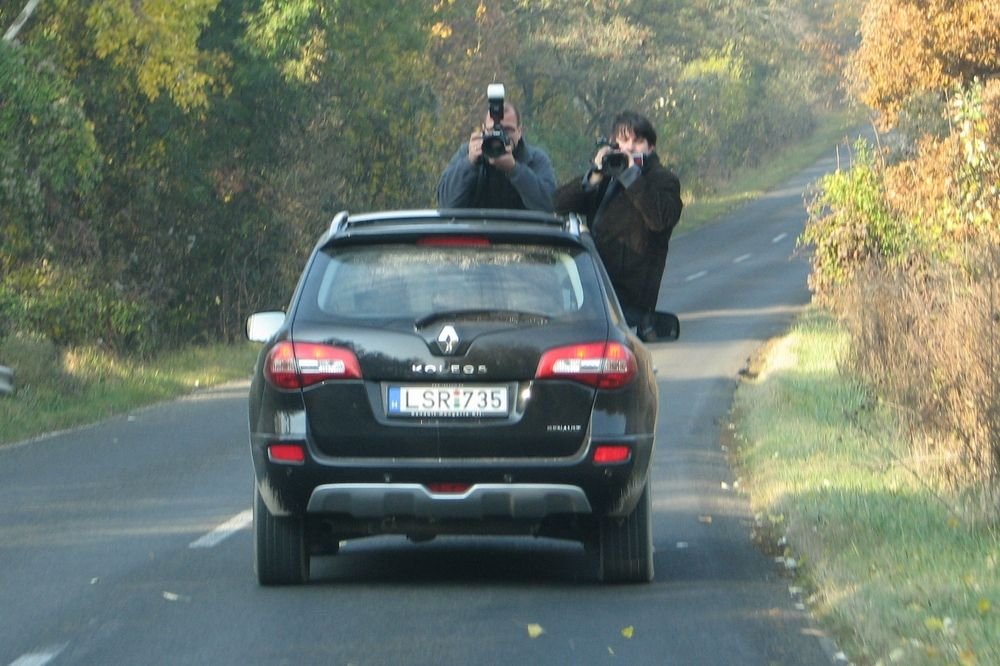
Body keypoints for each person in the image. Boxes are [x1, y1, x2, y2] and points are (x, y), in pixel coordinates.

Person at [554, 111, 683, 340]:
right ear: (614, 143)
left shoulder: (663, 180)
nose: (630, 148)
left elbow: (660, 220)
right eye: (624, 141)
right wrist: (594, 175)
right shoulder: (606, 177)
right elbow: (557, 204)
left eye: (638, 142)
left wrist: (632, 176)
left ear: (650, 147)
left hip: (632, 294)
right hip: (594, 285)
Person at [437, 98, 556, 211]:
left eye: (507, 130)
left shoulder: (534, 159)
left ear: (520, 132)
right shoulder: (468, 153)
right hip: (477, 230)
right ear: (483, 130)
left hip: (522, 231)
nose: (500, 136)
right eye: (494, 130)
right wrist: (470, 164)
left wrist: (514, 170)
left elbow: (550, 205)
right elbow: (446, 203)